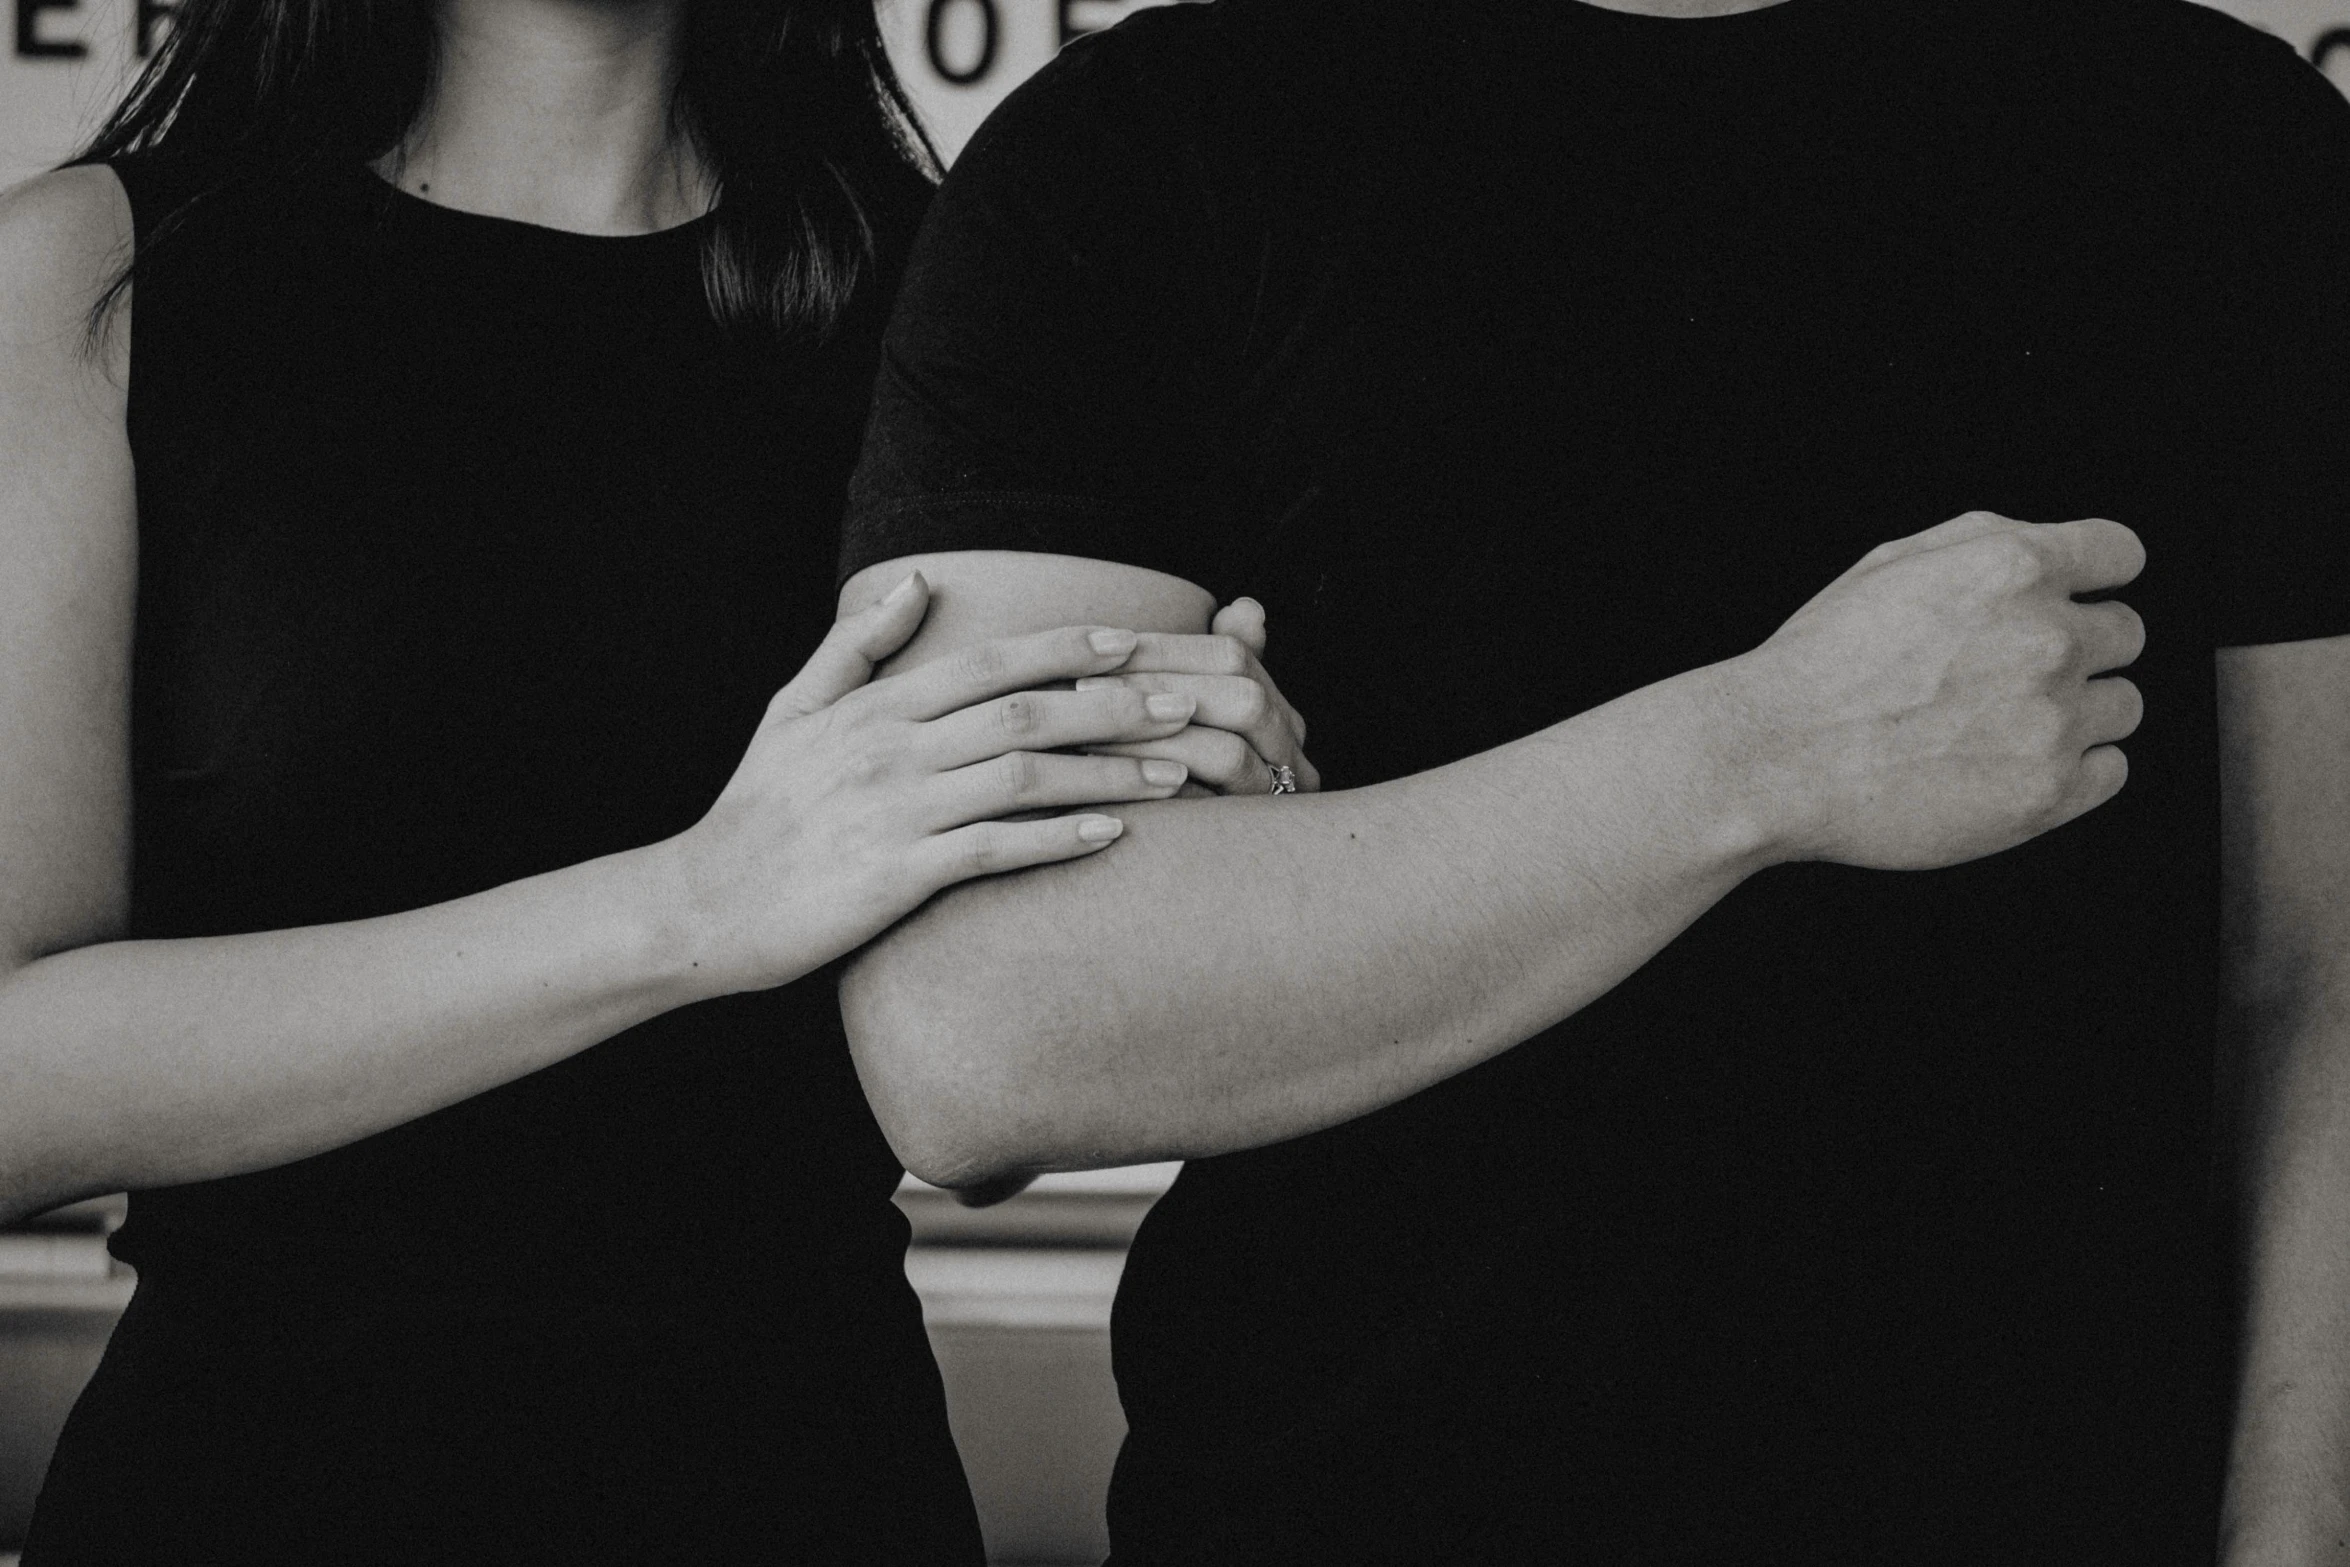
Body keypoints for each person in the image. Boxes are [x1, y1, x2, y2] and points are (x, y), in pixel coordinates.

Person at [834, 0, 2350, 1559]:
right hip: (1362, 1508)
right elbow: (980, 1034)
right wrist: (1765, 749)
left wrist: (2294, 1524)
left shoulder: (2208, 129)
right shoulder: (1153, 138)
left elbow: (2313, 974)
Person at [0, 0, 1310, 1559]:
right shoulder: (95, 276)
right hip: (255, 1489)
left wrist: (1199, 832)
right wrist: (691, 905)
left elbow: (992, 1113)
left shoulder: (960, 306)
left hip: (801, 1488)